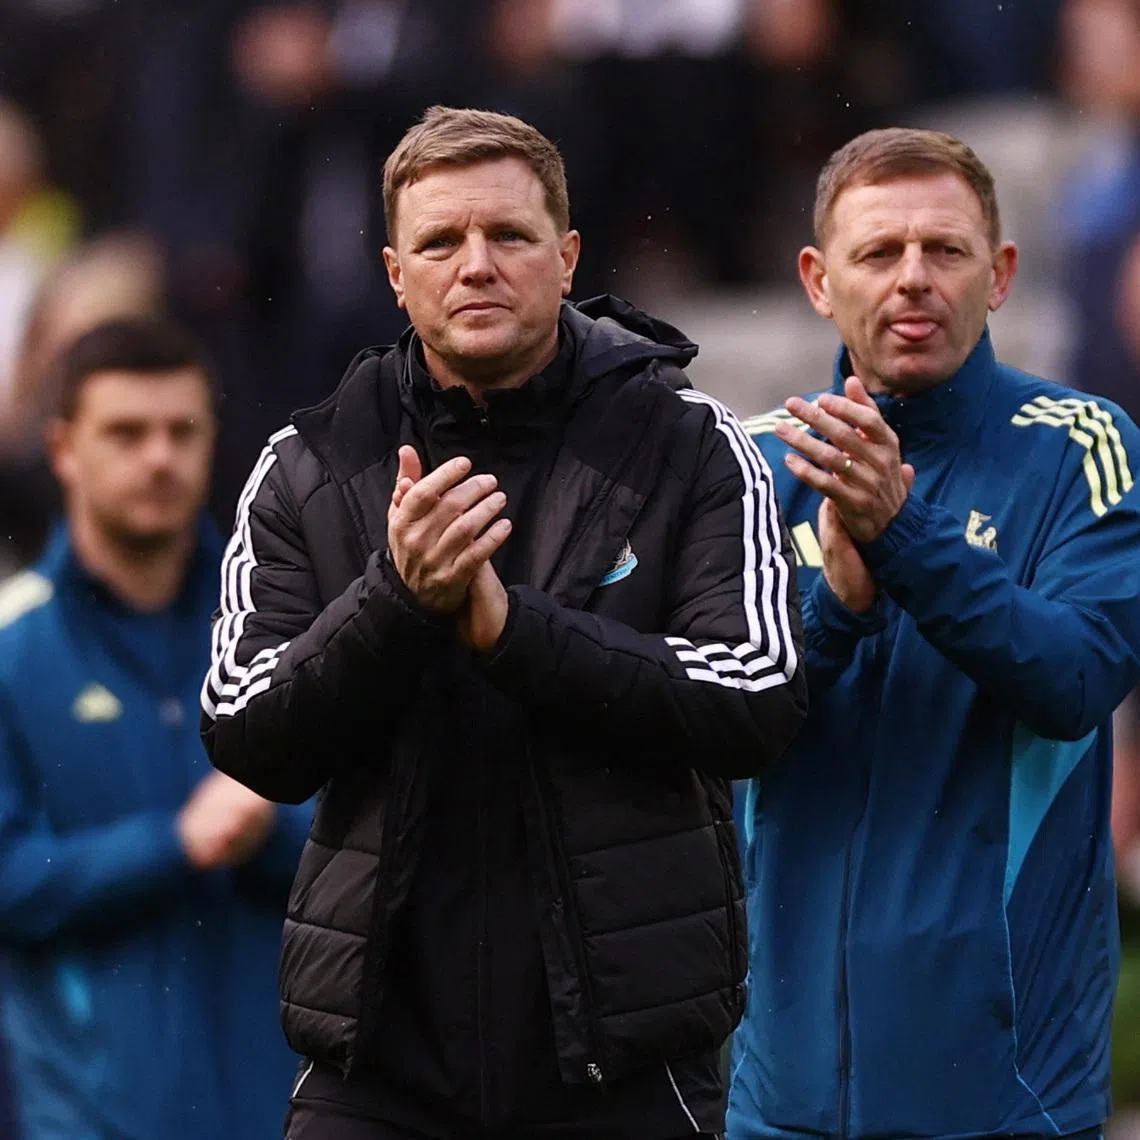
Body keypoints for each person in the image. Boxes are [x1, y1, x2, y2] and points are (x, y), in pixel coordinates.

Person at [200, 104, 807, 1140]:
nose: (475, 264)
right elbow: (249, 731)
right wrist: (398, 603)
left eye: (510, 237)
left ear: (566, 257)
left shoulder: (692, 442)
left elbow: (756, 699)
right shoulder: (307, 463)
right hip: (378, 1063)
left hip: (624, 1059)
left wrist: (509, 633)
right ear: (397, 273)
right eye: (441, 241)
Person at [729, 126, 1140, 1140]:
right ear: (819, 281)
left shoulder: (1083, 447)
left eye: (944, 251)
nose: (913, 279)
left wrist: (902, 539)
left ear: (999, 274)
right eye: (879, 253)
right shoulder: (745, 467)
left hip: (1005, 1103)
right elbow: (716, 718)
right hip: (775, 1104)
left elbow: (1078, 677)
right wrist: (838, 606)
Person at [0, 315, 311, 1139]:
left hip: (292, 1114)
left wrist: (265, 830)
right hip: (93, 1119)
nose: (159, 458)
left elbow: (374, 843)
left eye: (183, 431)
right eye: (127, 432)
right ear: (65, 449)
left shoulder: (289, 632)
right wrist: (175, 843)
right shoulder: (10, 648)